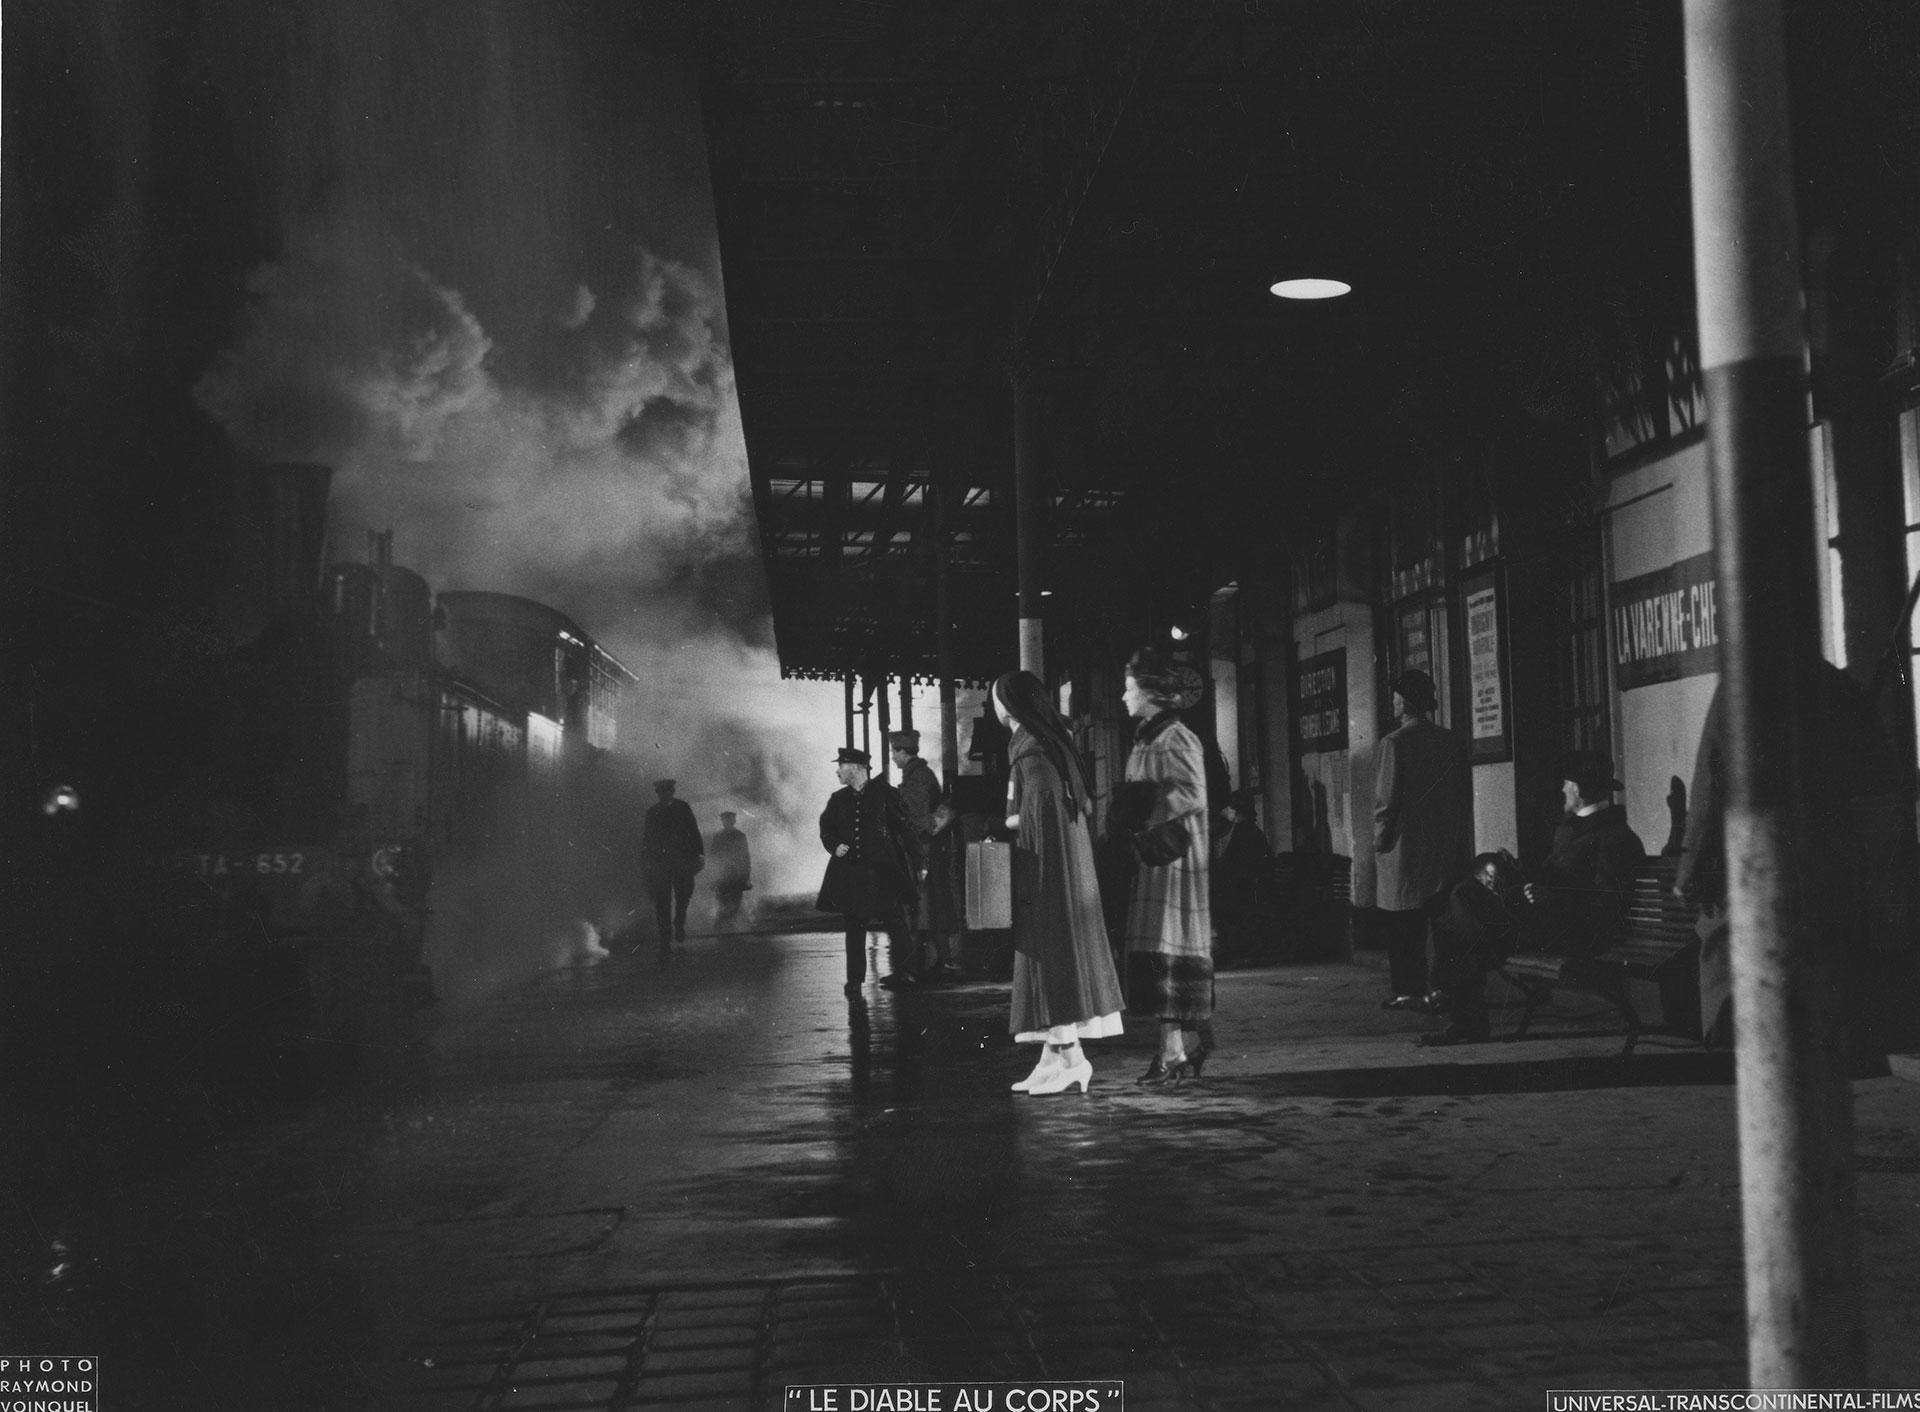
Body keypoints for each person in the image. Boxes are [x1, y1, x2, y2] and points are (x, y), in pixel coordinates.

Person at [990, 670, 1126, 1095]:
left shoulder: (1031, 750)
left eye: (994, 698)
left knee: (1052, 952)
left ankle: (1073, 1060)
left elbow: (1041, 809)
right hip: (1061, 862)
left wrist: (1014, 820)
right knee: (1049, 952)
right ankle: (1049, 1061)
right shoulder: (1041, 742)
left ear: (1009, 705)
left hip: (1050, 868)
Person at [1119, 647, 1214, 1085]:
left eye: (1129, 688)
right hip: (1155, 860)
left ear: (1151, 692)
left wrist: (1143, 811)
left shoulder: (1175, 737)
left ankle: (1175, 1049)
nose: (1123, 697)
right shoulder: (1149, 736)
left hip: (1174, 862)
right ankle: (1174, 1048)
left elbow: (1192, 793)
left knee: (1170, 950)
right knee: (1161, 954)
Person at [1372, 669, 1472, 1010]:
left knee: (1403, 924)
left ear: (1405, 701)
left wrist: (1380, 840)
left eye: (1397, 696)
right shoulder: (1449, 740)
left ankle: (1408, 990)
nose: (1393, 701)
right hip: (1442, 843)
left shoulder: (1394, 742)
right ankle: (1444, 988)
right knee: (1444, 923)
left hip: (1405, 844)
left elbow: (1387, 799)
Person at [816, 747, 921, 996]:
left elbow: (906, 830)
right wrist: (834, 846)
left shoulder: (886, 795)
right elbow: (826, 829)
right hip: (852, 875)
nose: (838, 771)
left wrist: (919, 863)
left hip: (883, 875)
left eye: (841, 765)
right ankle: (854, 980)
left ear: (856, 767)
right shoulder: (838, 799)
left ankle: (905, 973)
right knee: (854, 925)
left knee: (894, 921)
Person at [1523, 750, 1645, 957]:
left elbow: (1606, 904)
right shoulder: (1575, 830)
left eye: (1566, 783)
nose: (1562, 788)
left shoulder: (1614, 837)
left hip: (1581, 937)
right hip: (1556, 927)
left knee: (1468, 913)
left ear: (1577, 790)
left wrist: (1551, 898)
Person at [1417, 851, 1526, 1046]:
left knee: (1459, 904)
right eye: (1489, 881)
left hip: (1519, 932)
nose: (1491, 884)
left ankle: (1464, 1020)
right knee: (1459, 942)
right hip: (1494, 933)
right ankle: (1469, 1023)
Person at [889, 729, 960, 982]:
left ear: (902, 751)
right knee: (932, 908)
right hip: (931, 853)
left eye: (894, 752)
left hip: (922, 853)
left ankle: (912, 969)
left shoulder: (916, 779)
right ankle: (942, 962)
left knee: (918, 910)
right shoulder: (922, 774)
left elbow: (918, 821)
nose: (892, 758)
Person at [1210, 787, 1272, 963]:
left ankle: (1234, 951)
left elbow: (1232, 864)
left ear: (1235, 811)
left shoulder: (1241, 833)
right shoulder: (1253, 831)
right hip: (1247, 886)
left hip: (1240, 888)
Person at [642, 779, 704, 953]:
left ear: (672, 792)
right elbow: (647, 840)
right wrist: (647, 861)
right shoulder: (652, 813)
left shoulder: (683, 808)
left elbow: (694, 830)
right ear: (658, 794)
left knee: (683, 896)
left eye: (668, 791)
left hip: (682, 860)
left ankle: (679, 922)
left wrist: (699, 853)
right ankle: (665, 934)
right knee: (662, 900)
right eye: (662, 792)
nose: (665, 794)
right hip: (661, 863)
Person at [709, 811, 752, 929]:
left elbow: (745, 857)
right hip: (725, 876)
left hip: (735, 875)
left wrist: (747, 876)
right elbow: (714, 858)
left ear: (733, 821)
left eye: (729, 819)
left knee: (733, 903)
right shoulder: (719, 837)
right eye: (725, 820)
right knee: (724, 902)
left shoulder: (739, 836)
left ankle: (724, 924)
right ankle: (723, 924)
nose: (727, 822)